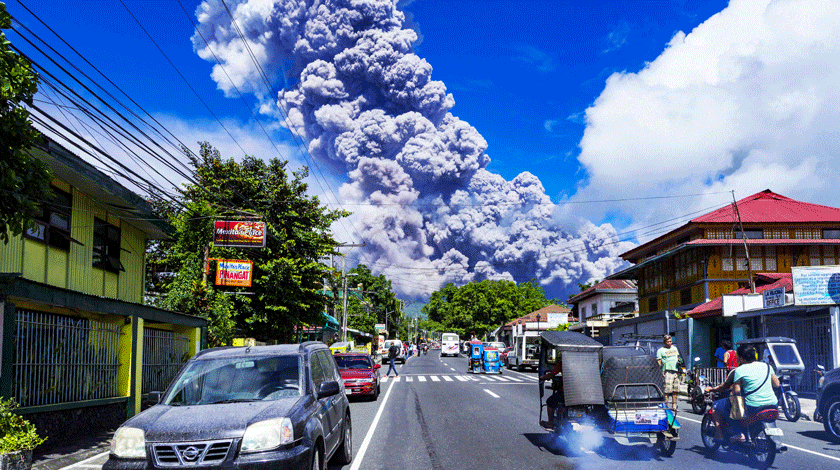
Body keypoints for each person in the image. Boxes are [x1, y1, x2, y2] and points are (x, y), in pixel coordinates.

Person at [705, 343, 780, 442]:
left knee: (719, 405)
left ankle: (738, 433)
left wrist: (712, 389)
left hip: (752, 405)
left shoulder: (739, 370)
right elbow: (777, 384)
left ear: (741, 358)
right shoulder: (767, 366)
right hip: (772, 403)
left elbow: (736, 391)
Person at [656, 335, 682, 412]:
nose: (670, 343)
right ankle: (666, 406)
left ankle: (674, 405)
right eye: (668, 341)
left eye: (671, 341)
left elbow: (678, 357)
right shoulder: (660, 350)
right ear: (664, 342)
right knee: (667, 390)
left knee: (675, 390)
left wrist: (679, 361)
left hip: (676, 370)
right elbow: (659, 361)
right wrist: (659, 369)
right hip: (667, 371)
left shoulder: (674, 348)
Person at [538, 358, 564, 429]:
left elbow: (552, 374)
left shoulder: (563, 363)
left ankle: (550, 422)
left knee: (549, 402)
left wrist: (543, 377)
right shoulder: (585, 363)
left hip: (565, 393)